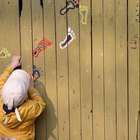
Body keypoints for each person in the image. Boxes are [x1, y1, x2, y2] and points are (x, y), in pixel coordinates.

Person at [0, 55, 46, 140]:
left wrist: (12, 65)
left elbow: (1, 81)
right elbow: (41, 104)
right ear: (25, 97)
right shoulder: (30, 108)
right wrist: (31, 89)